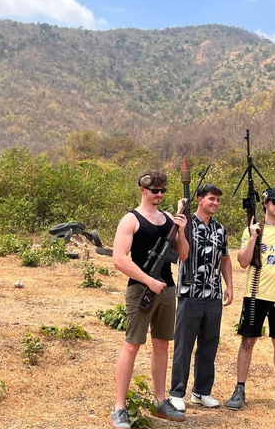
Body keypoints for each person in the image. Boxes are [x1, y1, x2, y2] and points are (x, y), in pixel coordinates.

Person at [110, 170, 190, 428]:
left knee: (162, 345)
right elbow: (119, 259)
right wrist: (148, 280)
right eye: (154, 190)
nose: (159, 194)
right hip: (141, 289)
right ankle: (119, 407)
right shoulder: (130, 220)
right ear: (142, 190)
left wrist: (181, 230)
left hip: (167, 290)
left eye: (162, 190)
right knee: (132, 345)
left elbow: (183, 255)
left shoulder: (168, 219)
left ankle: (160, 401)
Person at [225, 187, 275, 411]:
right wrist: (253, 237)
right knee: (247, 342)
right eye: (274, 202)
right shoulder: (252, 229)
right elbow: (242, 261)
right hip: (254, 295)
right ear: (265, 204)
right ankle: (240, 388)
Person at [168, 184, 234, 412]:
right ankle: (177, 392)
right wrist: (181, 227)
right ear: (199, 200)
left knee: (209, 344)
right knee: (184, 344)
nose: (214, 203)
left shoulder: (220, 229)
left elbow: (225, 259)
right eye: (211, 199)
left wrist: (229, 286)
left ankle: (202, 391)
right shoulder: (186, 224)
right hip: (190, 293)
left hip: (213, 294)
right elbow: (182, 254)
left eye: (217, 200)